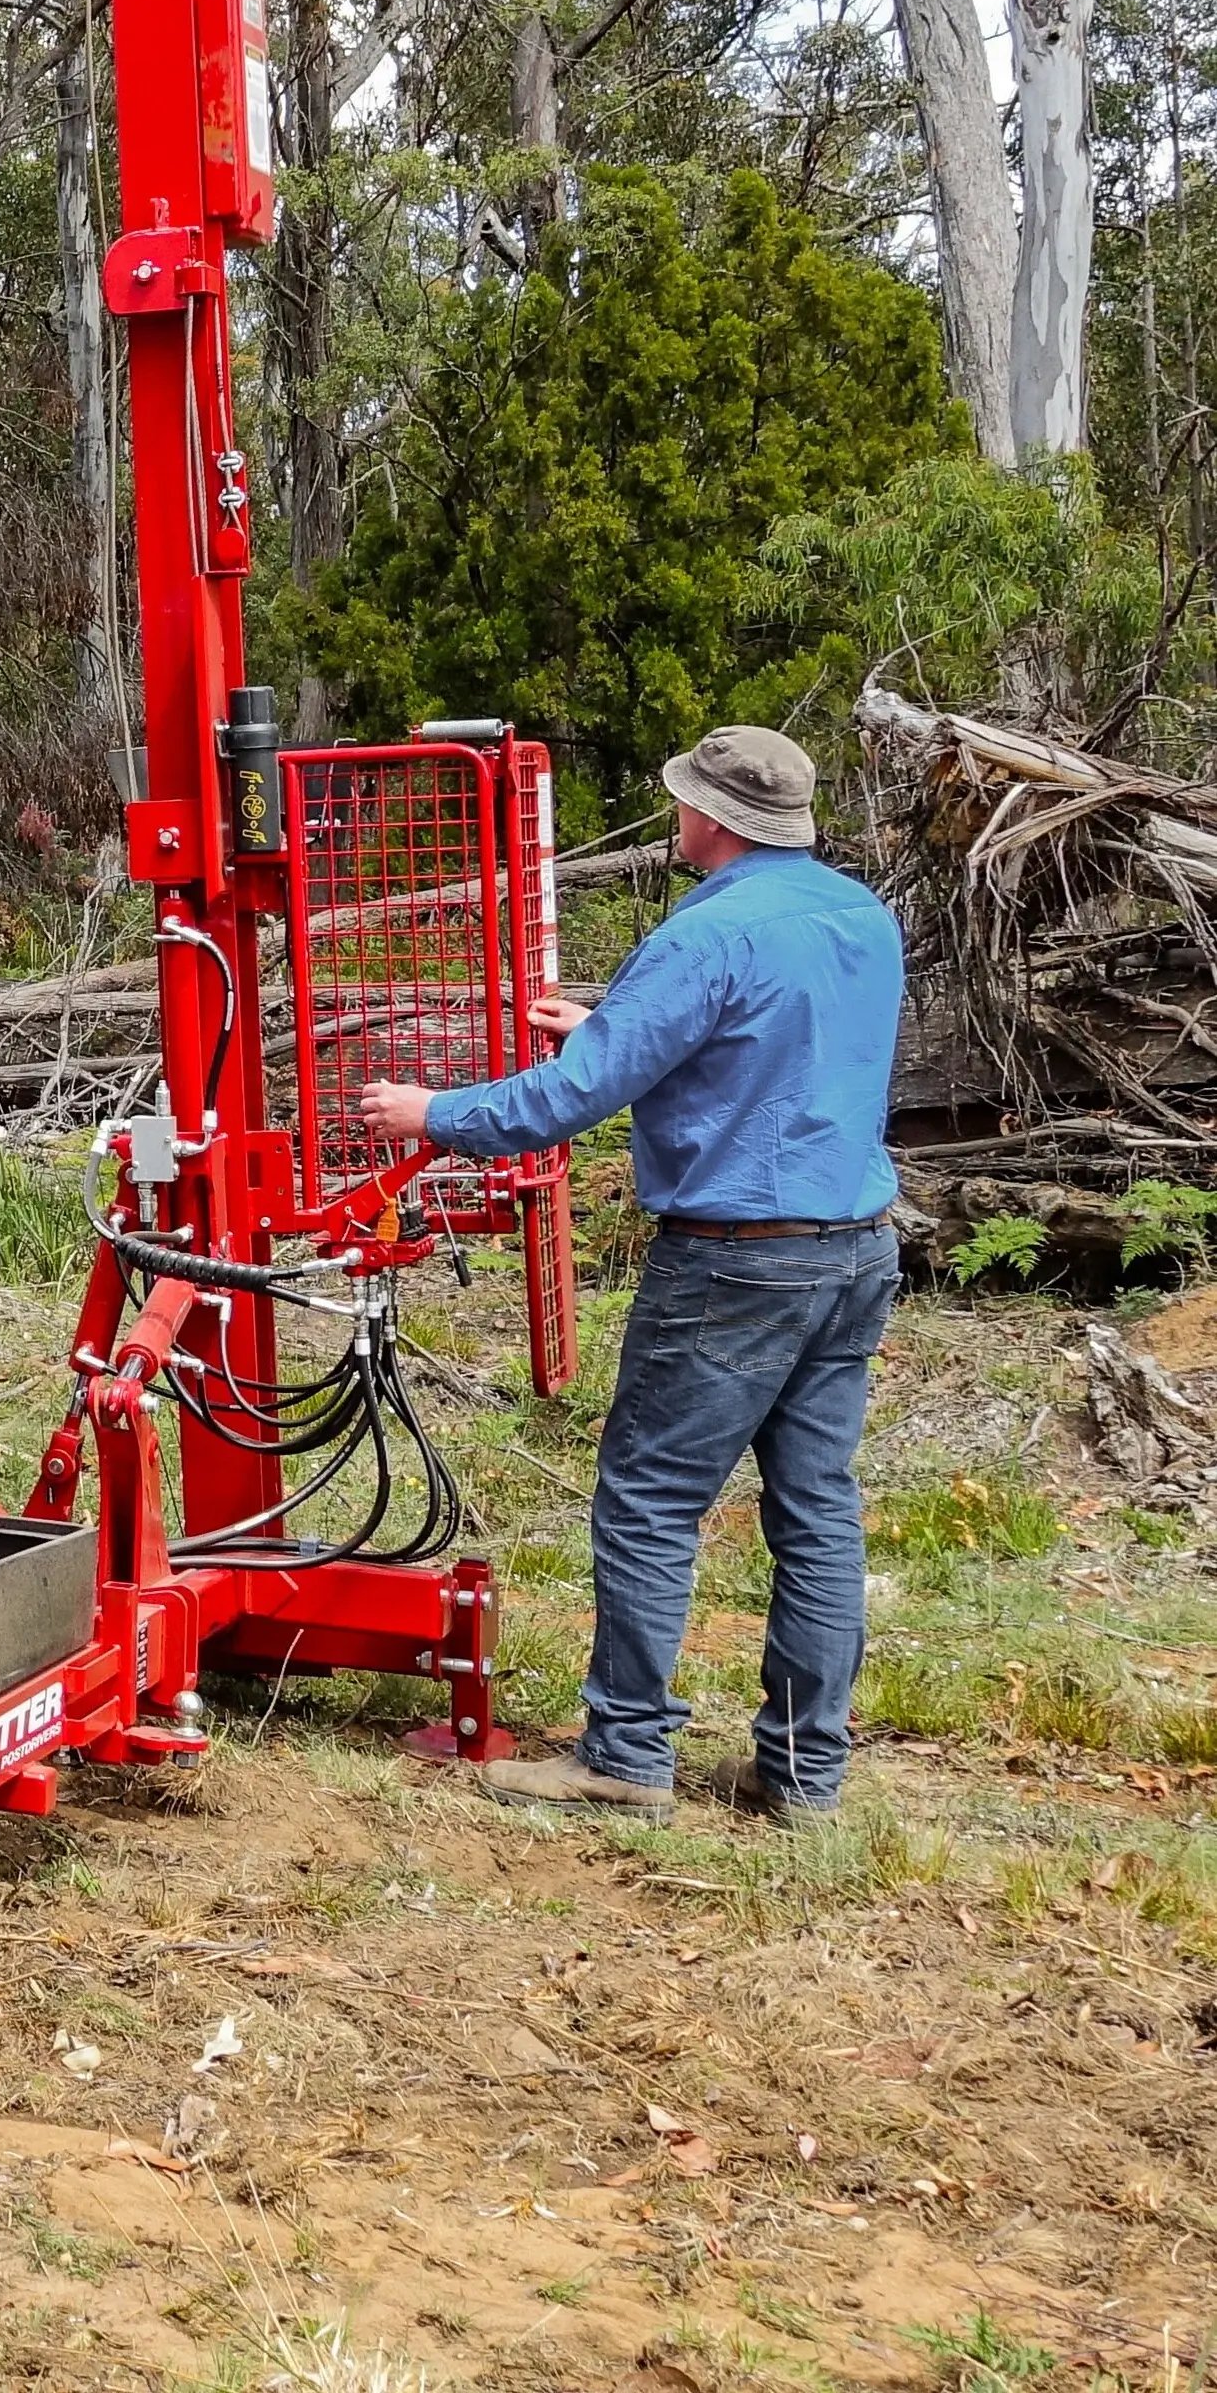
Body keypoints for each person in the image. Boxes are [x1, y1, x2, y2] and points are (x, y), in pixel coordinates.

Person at [357, 724, 904, 1822]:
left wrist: (433, 1113)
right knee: (816, 1510)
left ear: (714, 819)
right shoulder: (859, 913)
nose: (675, 815)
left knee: (650, 1498)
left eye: (684, 801)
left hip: (735, 1263)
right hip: (853, 1248)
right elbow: (767, 1043)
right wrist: (615, 1022)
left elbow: (564, 1100)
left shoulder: (705, 936)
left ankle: (625, 1755)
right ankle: (804, 1777)